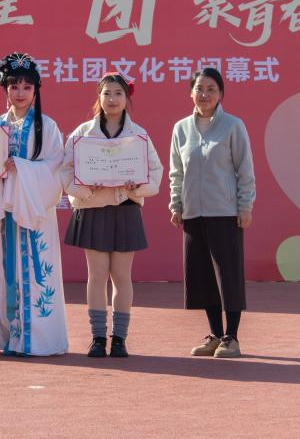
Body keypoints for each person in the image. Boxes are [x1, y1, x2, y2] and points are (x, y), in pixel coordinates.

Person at [60, 74, 163, 358]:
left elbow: (155, 171)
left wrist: (136, 186)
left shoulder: (139, 134)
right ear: (99, 97)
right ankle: (97, 337)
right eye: (107, 93)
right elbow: (66, 170)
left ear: (127, 98)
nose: (112, 99)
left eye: (118, 93)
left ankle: (119, 338)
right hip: (93, 208)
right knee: (96, 275)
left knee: (121, 276)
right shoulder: (83, 133)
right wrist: (85, 187)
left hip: (125, 208)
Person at [0, 52, 69, 356]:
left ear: (36, 90)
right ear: (4, 89)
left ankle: (39, 340)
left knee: (38, 273)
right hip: (5, 214)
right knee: (7, 274)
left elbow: (55, 169)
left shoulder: (47, 127)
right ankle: (12, 335)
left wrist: (21, 167)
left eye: (27, 87)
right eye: (14, 86)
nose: (20, 93)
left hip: (34, 213)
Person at [168, 67, 255, 358]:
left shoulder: (233, 126)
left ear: (221, 94)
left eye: (211, 89)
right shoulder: (181, 128)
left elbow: (245, 170)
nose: (204, 95)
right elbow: (177, 172)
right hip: (193, 213)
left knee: (228, 275)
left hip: (225, 212)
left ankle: (232, 337)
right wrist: (176, 204)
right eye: (199, 89)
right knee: (203, 276)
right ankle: (215, 334)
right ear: (190, 93)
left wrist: (245, 206)